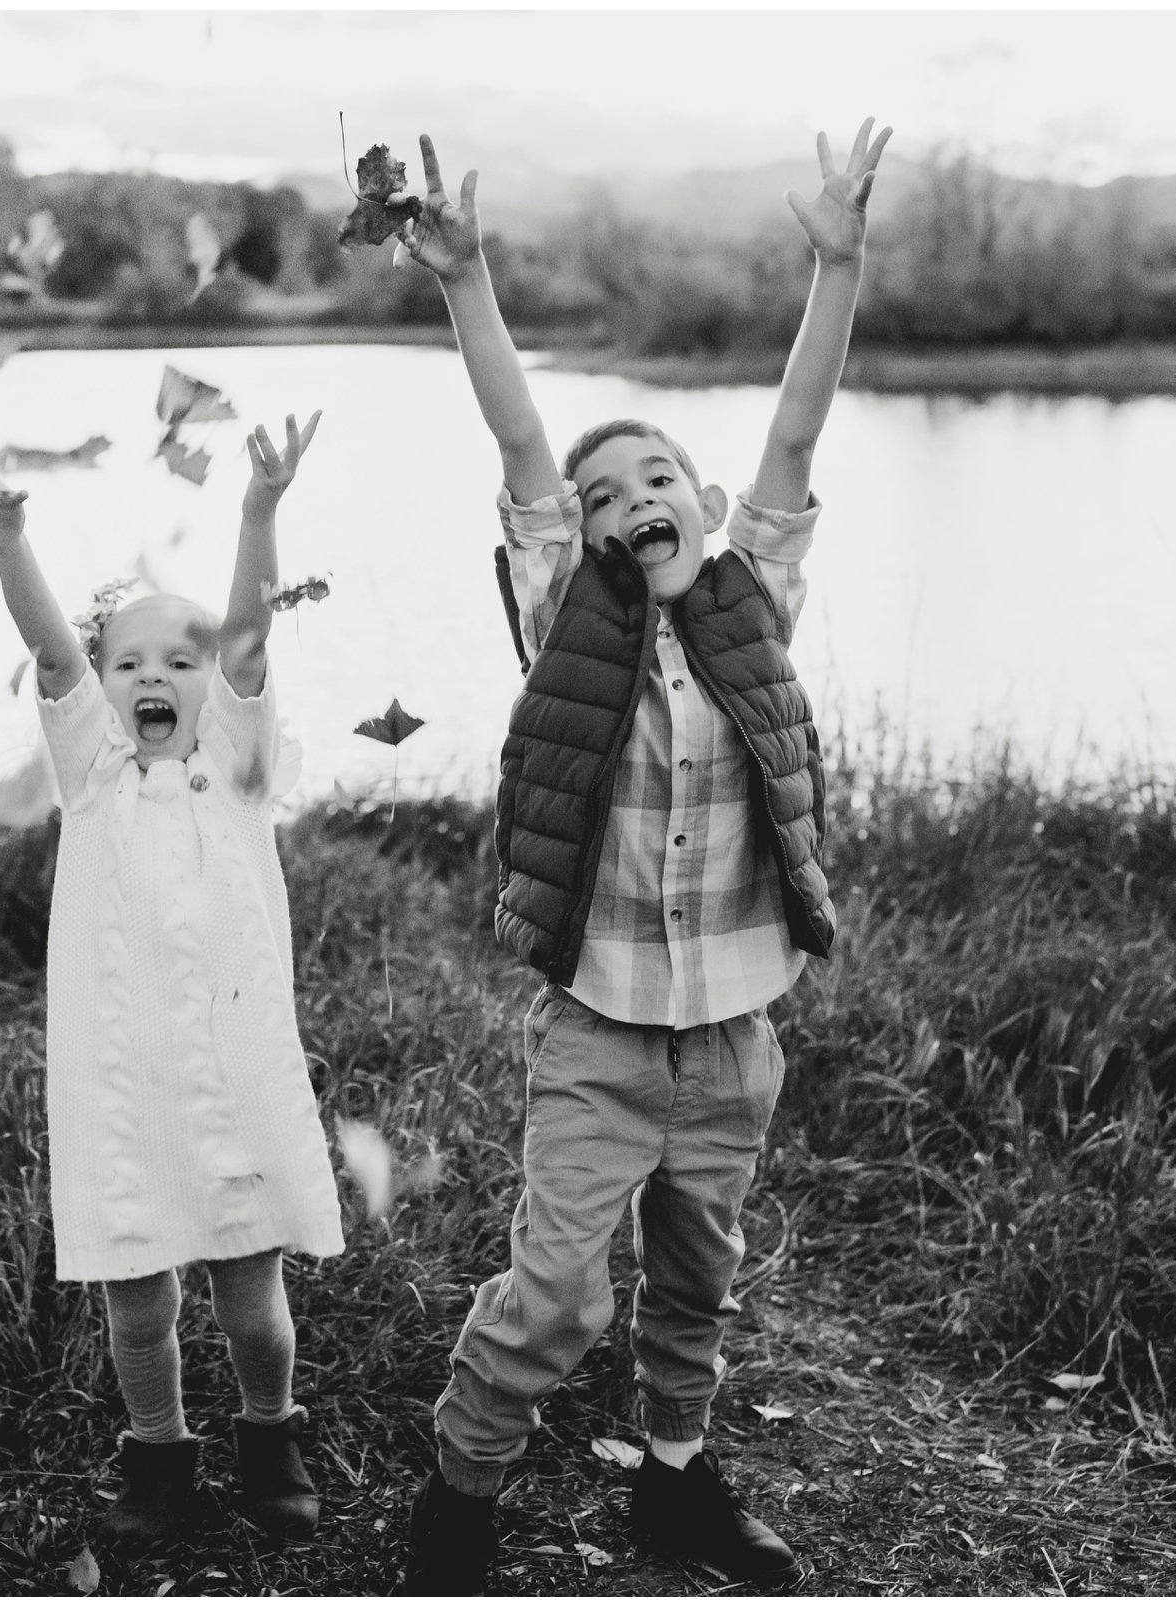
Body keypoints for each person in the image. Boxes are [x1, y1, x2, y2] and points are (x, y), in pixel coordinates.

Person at [392, 120, 889, 1592]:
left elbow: (798, 430)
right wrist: (466, 279)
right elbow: (522, 448)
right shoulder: (571, 625)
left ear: (705, 502)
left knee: (696, 1277)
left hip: (733, 1034)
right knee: (556, 1292)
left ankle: (675, 1481)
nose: (625, 504)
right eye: (603, 501)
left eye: (653, 477)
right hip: (600, 1034)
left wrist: (838, 265)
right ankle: (462, 1484)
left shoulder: (754, 602)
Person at [0, 413, 343, 1551]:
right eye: (130, 663)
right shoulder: (95, 772)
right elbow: (50, 644)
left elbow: (253, 636)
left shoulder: (240, 766)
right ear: (102, 686)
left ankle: (272, 1431)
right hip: (123, 1084)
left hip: (238, 1065)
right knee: (139, 1298)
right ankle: (158, 1457)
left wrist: (259, 511)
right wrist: (6, 526)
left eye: (182, 657)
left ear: (213, 682)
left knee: (251, 1294)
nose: (154, 675)